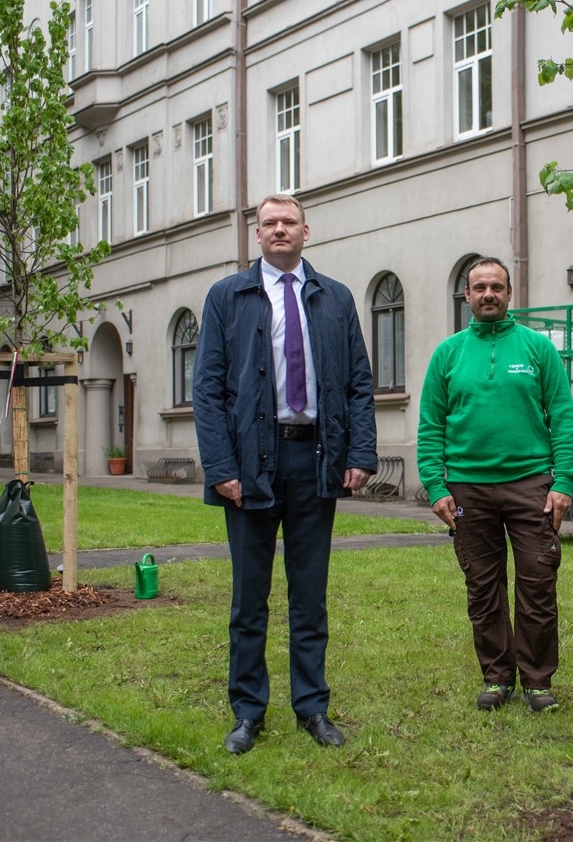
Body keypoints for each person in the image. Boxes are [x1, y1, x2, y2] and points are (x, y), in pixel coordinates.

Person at [194, 193, 377, 754]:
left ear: (307, 231)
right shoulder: (227, 297)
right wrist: (222, 466)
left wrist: (360, 454)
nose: (279, 230)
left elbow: (358, 383)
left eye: (288, 223)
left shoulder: (337, 299)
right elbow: (206, 388)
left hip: (315, 460)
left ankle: (312, 707)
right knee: (249, 598)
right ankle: (248, 712)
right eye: (269, 223)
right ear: (257, 234)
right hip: (251, 463)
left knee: (309, 595)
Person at [417, 257, 573, 713]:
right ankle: (496, 678)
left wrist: (564, 480)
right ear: (466, 296)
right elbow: (430, 425)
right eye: (479, 287)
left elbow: (562, 420)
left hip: (531, 485)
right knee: (483, 588)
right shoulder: (447, 354)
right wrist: (435, 485)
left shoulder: (537, 349)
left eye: (496, 287)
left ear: (510, 294)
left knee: (537, 584)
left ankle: (537, 681)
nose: (488, 294)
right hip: (466, 488)